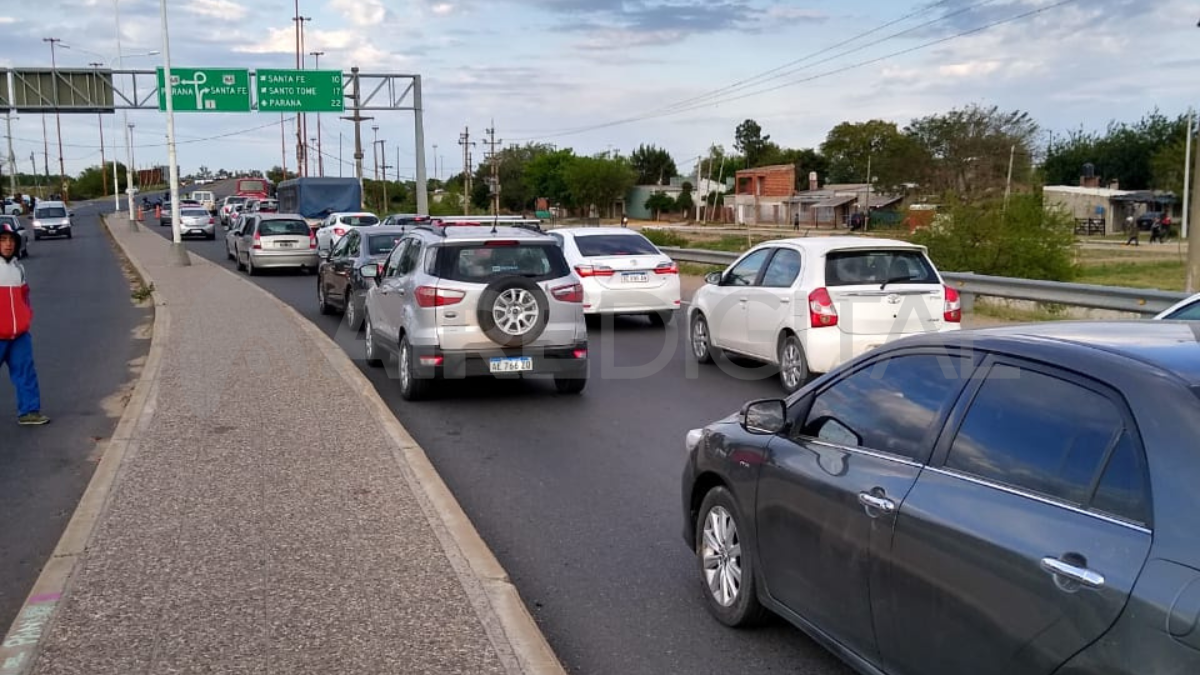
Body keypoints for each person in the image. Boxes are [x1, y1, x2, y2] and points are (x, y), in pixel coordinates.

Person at [0, 221, 48, 426]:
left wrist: (25, 317)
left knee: (26, 372)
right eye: (3, 240)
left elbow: (24, 297)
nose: (8, 244)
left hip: (19, 335)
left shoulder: (19, 268)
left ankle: (29, 411)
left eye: (11, 240)